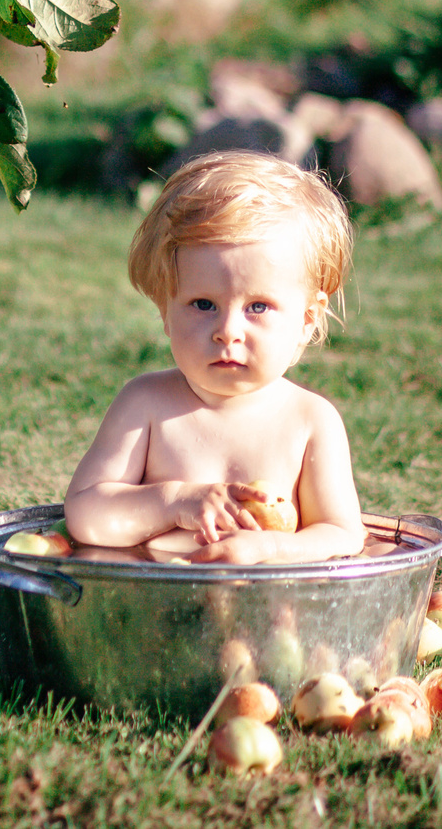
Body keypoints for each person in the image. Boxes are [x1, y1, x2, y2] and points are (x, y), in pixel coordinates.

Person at [60, 149, 366, 565]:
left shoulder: (310, 421)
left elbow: (341, 534)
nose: (228, 330)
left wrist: (270, 547)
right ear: (165, 310)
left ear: (307, 320)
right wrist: (174, 501)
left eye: (258, 307)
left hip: (270, 617)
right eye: (204, 304)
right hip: (156, 611)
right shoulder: (146, 404)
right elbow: (86, 514)